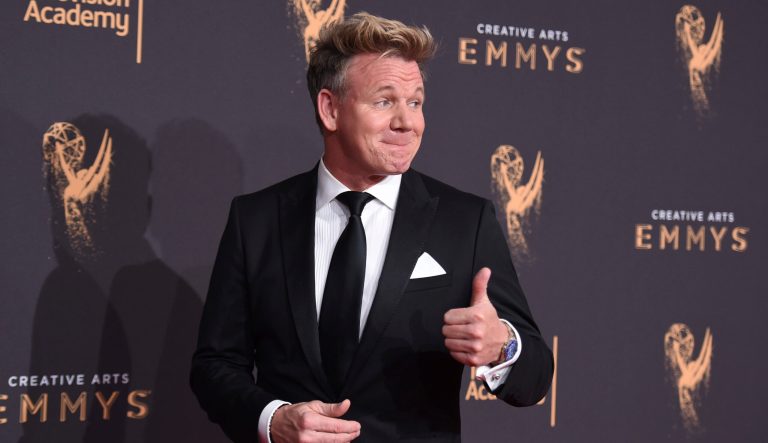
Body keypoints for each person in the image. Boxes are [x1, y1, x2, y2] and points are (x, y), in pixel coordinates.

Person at [190, 12, 553, 443]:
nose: (407, 122)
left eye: (415, 102)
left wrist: (503, 347)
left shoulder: (465, 221)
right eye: (384, 101)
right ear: (330, 109)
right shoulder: (257, 219)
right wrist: (274, 419)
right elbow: (214, 366)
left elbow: (535, 379)